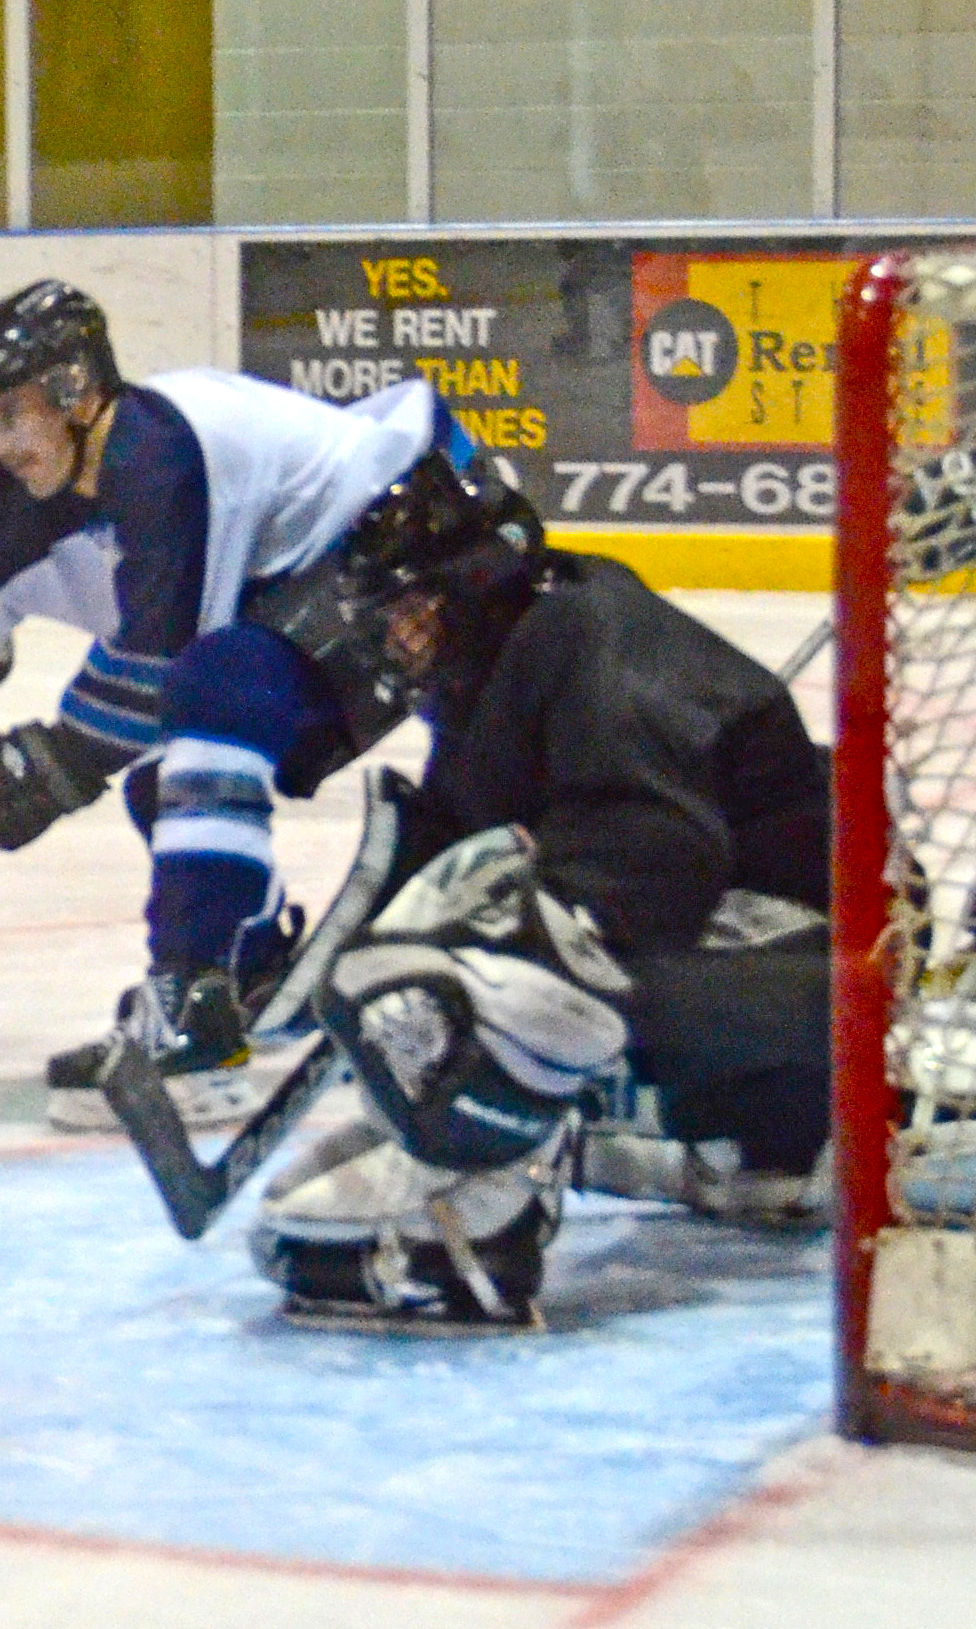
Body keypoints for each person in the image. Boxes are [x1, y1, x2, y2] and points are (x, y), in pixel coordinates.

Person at [0, 278, 497, 1131]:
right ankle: (246, 967)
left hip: (423, 541)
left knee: (211, 694)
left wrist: (53, 762)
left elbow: (162, 663)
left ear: (73, 389)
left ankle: (190, 1025)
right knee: (170, 784)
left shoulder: (159, 455)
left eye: (12, 414)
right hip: (328, 572)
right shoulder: (49, 479)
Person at [238, 499, 830, 1330]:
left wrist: (488, 981)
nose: (396, 641)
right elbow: (458, 844)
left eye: (411, 612)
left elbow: (657, 857)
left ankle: (476, 1235)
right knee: (461, 950)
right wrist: (332, 982)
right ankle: (749, 1144)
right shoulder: (508, 659)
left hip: (825, 970)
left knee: (509, 970)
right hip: (757, 963)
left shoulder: (592, 643)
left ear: (473, 585)